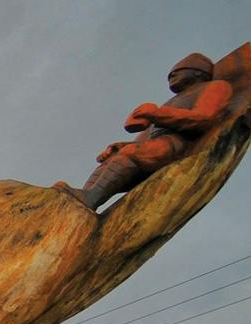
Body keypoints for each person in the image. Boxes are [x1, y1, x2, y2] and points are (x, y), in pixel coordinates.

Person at [54, 53, 233, 211]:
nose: (172, 75)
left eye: (178, 70)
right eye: (171, 73)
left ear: (197, 72)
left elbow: (204, 118)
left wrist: (156, 114)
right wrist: (122, 145)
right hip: (156, 144)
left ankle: (91, 198)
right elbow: (148, 134)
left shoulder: (216, 86)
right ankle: (86, 196)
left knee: (132, 153)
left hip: (178, 143)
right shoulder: (173, 101)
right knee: (120, 154)